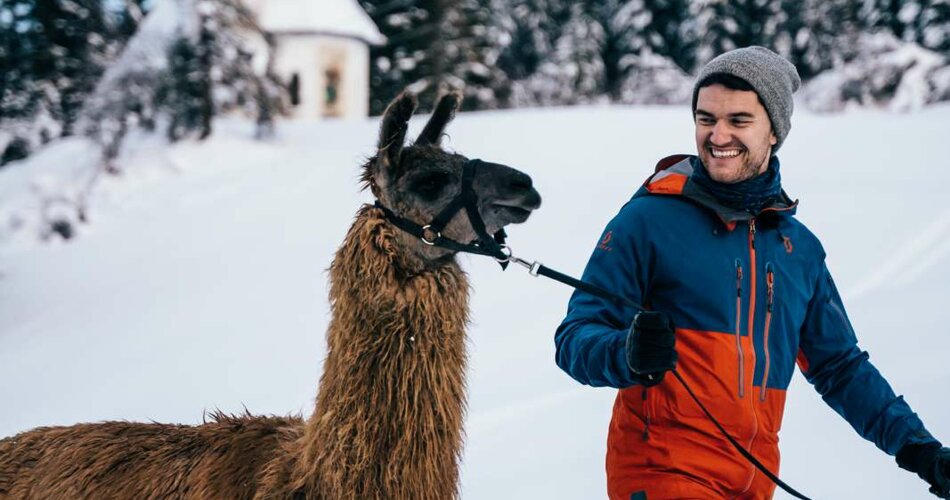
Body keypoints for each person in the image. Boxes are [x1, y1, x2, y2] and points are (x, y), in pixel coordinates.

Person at [554, 46, 950, 499]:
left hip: (752, 482)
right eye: (706, 119)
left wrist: (921, 451)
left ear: (774, 131)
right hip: (661, 471)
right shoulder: (648, 221)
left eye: (738, 120)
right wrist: (625, 353)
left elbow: (840, 367)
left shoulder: (798, 250)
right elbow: (575, 336)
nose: (718, 135)